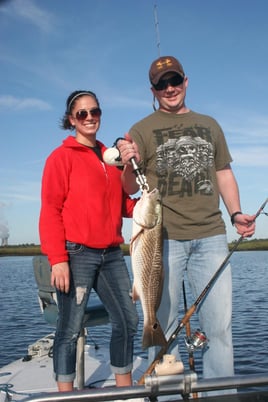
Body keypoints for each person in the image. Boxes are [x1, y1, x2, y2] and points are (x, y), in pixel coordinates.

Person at [116, 56, 256, 391]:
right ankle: (163, 395)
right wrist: (126, 161)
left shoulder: (210, 124)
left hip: (211, 236)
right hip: (162, 241)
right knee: (159, 324)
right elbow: (130, 187)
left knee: (219, 329)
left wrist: (236, 213)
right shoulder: (141, 129)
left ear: (186, 82)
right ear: (153, 90)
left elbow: (223, 172)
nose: (170, 88)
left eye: (174, 80)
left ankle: (222, 395)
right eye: (162, 84)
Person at [39, 90, 141, 396]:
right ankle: (65, 394)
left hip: (111, 255)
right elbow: (50, 210)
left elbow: (125, 206)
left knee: (128, 319)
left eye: (94, 111)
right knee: (69, 329)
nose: (89, 118)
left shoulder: (112, 159)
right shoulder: (61, 158)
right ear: (71, 120)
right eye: (81, 114)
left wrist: (151, 204)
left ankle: (125, 390)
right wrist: (57, 258)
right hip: (76, 254)